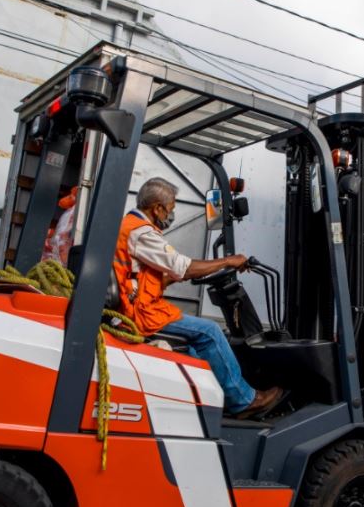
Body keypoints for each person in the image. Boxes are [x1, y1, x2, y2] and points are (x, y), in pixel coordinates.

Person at [115, 177, 285, 418]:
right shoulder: (142, 233)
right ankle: (244, 401)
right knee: (210, 332)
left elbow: (149, 276)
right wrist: (228, 261)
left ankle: (212, 400)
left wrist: (180, 276)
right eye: (170, 209)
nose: (171, 214)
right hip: (138, 313)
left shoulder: (130, 226)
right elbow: (183, 266)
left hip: (135, 306)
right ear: (157, 208)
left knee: (197, 348)